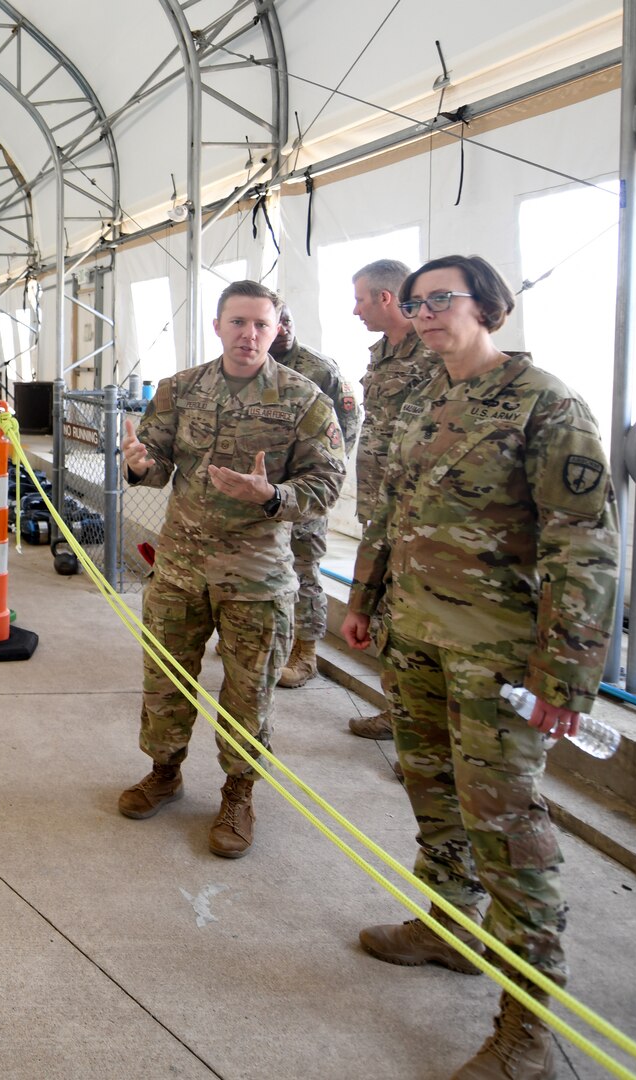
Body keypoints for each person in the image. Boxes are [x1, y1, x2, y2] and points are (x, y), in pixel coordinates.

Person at [340, 255, 618, 1079]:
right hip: (416, 636)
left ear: (489, 306)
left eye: (442, 300)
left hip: (497, 656)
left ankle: (527, 1027)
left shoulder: (549, 404)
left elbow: (585, 546)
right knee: (431, 792)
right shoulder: (428, 398)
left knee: (508, 830)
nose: (425, 315)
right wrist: (365, 598)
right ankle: (449, 926)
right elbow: (390, 509)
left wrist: (564, 676)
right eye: (418, 303)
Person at [117, 280, 346, 858]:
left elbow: (327, 485)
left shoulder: (304, 399)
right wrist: (141, 465)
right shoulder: (180, 389)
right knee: (164, 682)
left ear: (277, 330)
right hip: (179, 570)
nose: (249, 335)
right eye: (238, 322)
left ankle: (238, 794)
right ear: (217, 326)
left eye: (261, 325)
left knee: (249, 694)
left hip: (256, 577)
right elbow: (158, 462)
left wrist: (271, 496)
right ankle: (164, 773)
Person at [345, 259, 445, 740]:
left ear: (386, 298)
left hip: (421, 513)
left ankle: (428, 729)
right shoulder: (381, 352)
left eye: (361, 298)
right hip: (379, 505)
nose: (355, 309)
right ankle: (400, 712)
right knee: (385, 608)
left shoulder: (435, 353)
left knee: (416, 617)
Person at [268, 305, 360, 688]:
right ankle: (270, 641)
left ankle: (305, 653)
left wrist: (321, 474)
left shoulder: (319, 369)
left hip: (305, 491)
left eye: (289, 319)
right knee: (263, 568)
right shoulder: (245, 365)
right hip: (263, 493)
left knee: (304, 569)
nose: (285, 328)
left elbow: (348, 425)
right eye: (278, 321)